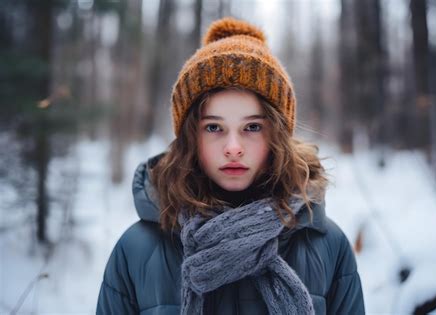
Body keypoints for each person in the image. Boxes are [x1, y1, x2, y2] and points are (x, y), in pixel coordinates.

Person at [96, 17, 365, 315]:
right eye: (213, 128)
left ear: (277, 134)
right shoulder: (138, 250)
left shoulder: (326, 246)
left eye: (252, 127)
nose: (233, 147)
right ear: (190, 137)